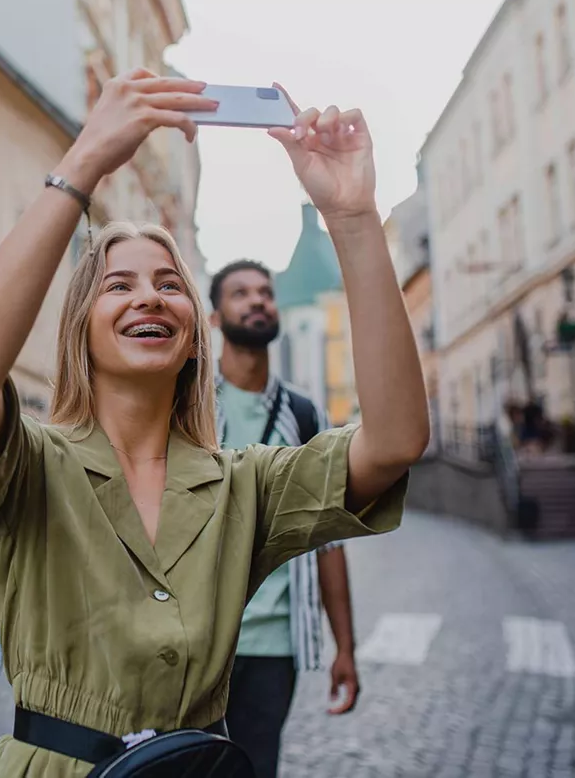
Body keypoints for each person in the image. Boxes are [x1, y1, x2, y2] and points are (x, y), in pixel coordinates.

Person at [0, 68, 430, 777]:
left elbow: (396, 441)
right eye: (119, 285)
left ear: (198, 333)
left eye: (171, 285)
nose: (151, 298)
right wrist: (85, 163)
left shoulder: (244, 483)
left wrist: (351, 218)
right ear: (81, 328)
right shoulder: (31, 465)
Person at [209, 259, 361, 778]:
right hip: (197, 639)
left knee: (255, 768)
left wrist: (345, 647)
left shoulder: (304, 414)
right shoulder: (188, 406)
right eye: (241, 293)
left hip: (276, 644)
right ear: (214, 316)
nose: (257, 301)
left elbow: (328, 540)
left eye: (265, 293)